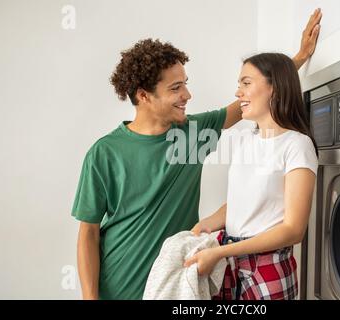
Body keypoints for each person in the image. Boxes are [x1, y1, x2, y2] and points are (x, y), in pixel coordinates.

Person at [71, 9, 322, 300]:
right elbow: (88, 232)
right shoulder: (104, 153)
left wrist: (300, 57)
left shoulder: (193, 134)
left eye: (185, 84)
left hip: (176, 287)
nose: (187, 95)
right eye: (176, 88)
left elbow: (260, 92)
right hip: (118, 289)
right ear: (143, 96)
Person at [184, 52, 319, 300]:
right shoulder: (244, 140)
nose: (238, 93)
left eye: (246, 83)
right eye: (239, 85)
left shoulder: (297, 145)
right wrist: (206, 224)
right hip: (230, 262)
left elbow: (293, 230)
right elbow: (241, 202)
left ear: (275, 88)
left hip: (268, 269)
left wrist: (221, 253)